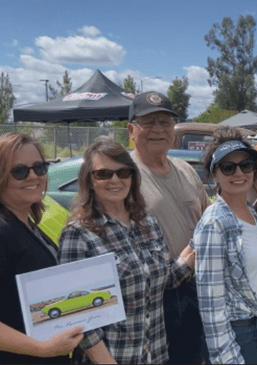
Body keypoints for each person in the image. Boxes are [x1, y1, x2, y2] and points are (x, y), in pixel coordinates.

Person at [58, 139, 195, 364]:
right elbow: (77, 315)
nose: (115, 180)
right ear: (89, 180)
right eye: (103, 174)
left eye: (123, 172)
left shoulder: (148, 223)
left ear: (132, 177)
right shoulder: (78, 234)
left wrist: (196, 249)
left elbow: (163, 279)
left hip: (155, 356)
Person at [126, 91, 210, 364]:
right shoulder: (122, 174)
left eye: (165, 122)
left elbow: (208, 219)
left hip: (195, 288)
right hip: (153, 296)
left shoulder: (185, 169)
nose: (158, 130)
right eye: (148, 122)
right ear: (131, 129)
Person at [193, 126, 257, 364]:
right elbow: (210, 304)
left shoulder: (251, 213)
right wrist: (226, 357)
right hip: (234, 334)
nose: (238, 172)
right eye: (228, 167)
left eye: (246, 165)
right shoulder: (214, 223)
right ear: (214, 175)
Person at [0, 133, 84, 364]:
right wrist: (41, 348)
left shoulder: (26, 223)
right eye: (19, 171)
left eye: (40, 167)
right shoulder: (3, 230)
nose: (33, 177)